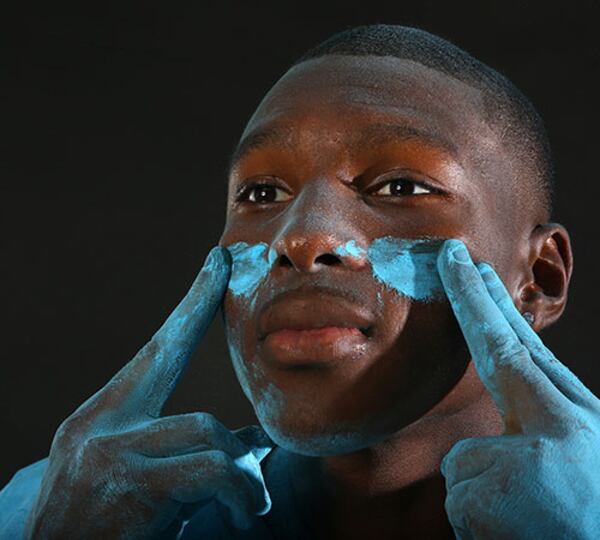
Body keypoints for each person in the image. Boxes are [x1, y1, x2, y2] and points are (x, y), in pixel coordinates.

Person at [1, 24, 599, 539]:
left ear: (539, 279)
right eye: (261, 194)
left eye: (401, 187)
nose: (302, 237)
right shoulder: (53, 509)